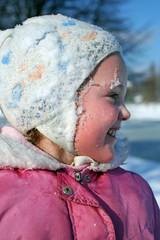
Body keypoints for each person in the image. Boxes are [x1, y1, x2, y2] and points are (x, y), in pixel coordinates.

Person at [0, 14, 159, 239]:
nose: (126, 112)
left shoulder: (136, 192)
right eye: (113, 96)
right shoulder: (4, 196)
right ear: (56, 104)